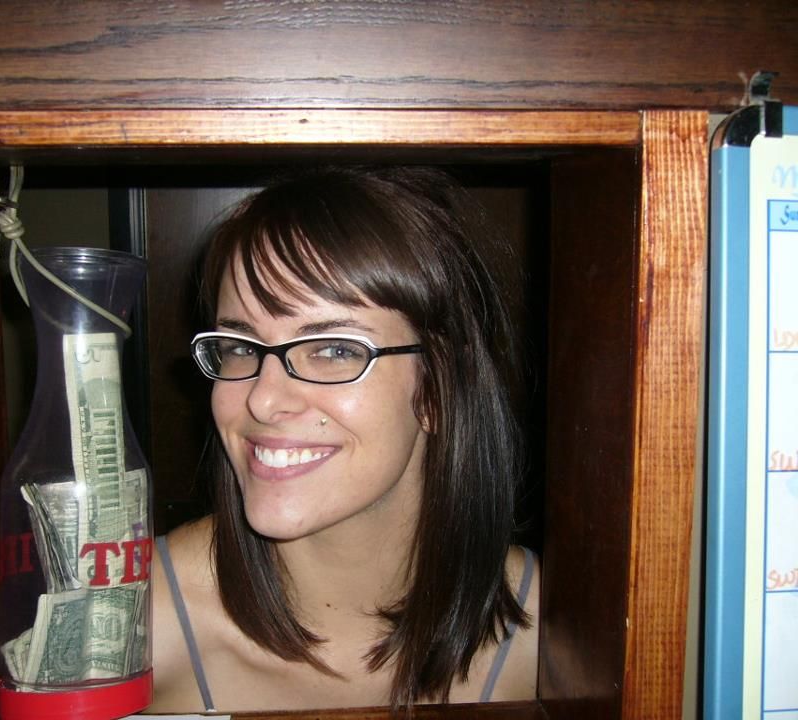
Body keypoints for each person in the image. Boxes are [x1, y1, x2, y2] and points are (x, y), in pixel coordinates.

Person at [149, 166, 539, 713]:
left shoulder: (562, 634)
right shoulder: (142, 623)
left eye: (334, 350)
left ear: (438, 389)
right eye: (241, 347)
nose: (263, 400)